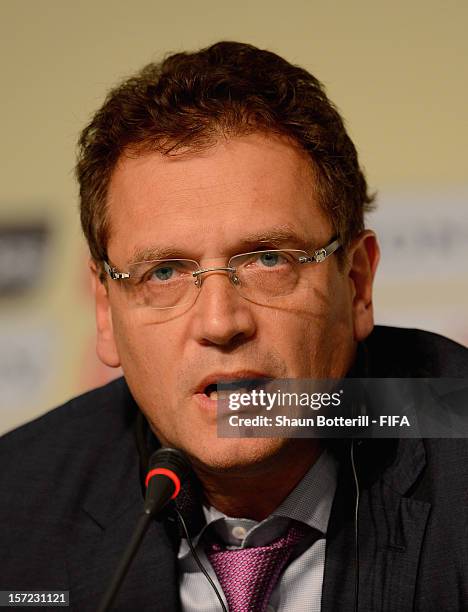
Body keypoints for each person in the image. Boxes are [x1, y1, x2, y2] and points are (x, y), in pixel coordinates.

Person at [1, 41, 467, 612]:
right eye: (165, 272)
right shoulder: (15, 512)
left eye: (269, 259)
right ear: (105, 310)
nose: (221, 323)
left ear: (357, 284)